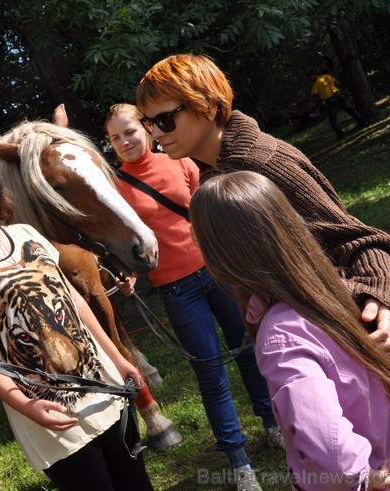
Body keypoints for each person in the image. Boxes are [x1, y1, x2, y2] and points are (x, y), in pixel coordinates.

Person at [136, 53, 390, 368]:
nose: (155, 134)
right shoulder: (214, 173)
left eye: (164, 120)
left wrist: (383, 299)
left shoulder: (263, 164)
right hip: (310, 346)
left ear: (207, 107)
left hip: (354, 342)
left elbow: (358, 240)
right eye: (149, 122)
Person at [0, 158, 153, 491]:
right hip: (49, 410)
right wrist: (27, 405)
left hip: (103, 386)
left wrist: (119, 358)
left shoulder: (25, 234)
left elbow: (74, 302)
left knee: (138, 485)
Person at [189, 170, 390, 491]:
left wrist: (359, 475)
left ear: (223, 254)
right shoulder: (337, 284)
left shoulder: (280, 333)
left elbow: (324, 443)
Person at [105, 103, 282, 491]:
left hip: (220, 273)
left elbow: (206, 212)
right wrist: (129, 275)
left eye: (130, 131)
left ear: (148, 129)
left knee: (249, 349)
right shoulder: (115, 189)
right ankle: (238, 460)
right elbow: (127, 245)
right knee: (210, 372)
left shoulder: (179, 160)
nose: (124, 141)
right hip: (177, 289)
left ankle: (272, 423)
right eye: (115, 138)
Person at [308, 67, 368, 139]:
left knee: (332, 120)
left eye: (310, 77)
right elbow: (337, 83)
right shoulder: (327, 76)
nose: (310, 79)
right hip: (338, 95)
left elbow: (314, 95)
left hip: (330, 100)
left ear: (313, 75)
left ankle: (340, 135)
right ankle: (363, 122)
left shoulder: (316, 83)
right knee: (351, 110)